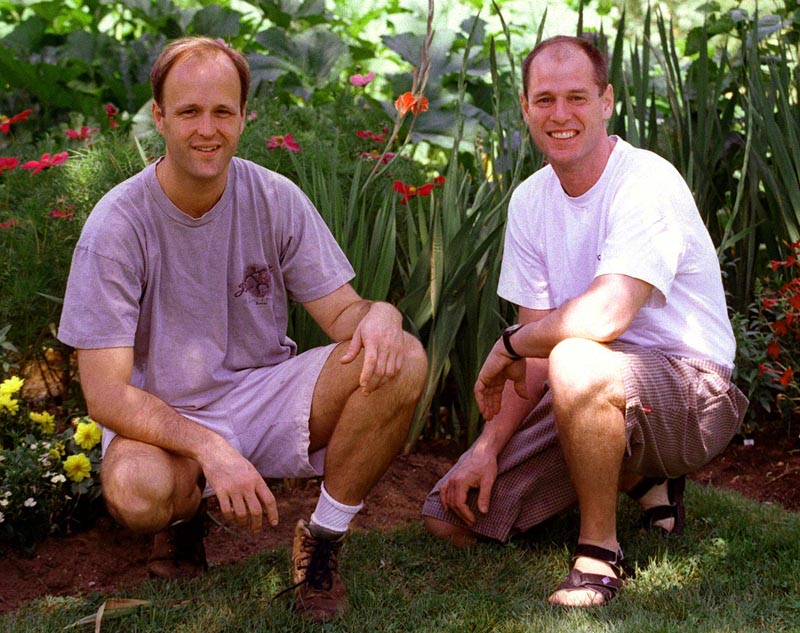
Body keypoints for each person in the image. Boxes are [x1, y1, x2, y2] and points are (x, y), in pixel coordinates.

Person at [57, 36, 427, 623]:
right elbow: (105, 395)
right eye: (189, 112)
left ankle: (323, 545)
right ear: (159, 117)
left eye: (223, 112)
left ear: (243, 117)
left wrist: (381, 314)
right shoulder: (117, 226)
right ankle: (180, 523)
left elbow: (343, 315)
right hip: (163, 417)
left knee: (400, 357)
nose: (208, 129)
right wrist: (210, 448)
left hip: (262, 395)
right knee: (134, 488)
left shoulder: (274, 197)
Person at [421, 35, 748, 608]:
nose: (561, 115)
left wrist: (510, 344)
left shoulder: (645, 181)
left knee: (577, 357)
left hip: (693, 389)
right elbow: (537, 357)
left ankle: (599, 554)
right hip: (594, 386)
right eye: (544, 100)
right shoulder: (529, 201)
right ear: (525, 108)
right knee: (450, 517)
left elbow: (606, 313)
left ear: (606, 101)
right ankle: (641, 478)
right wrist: (487, 446)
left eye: (577, 97)